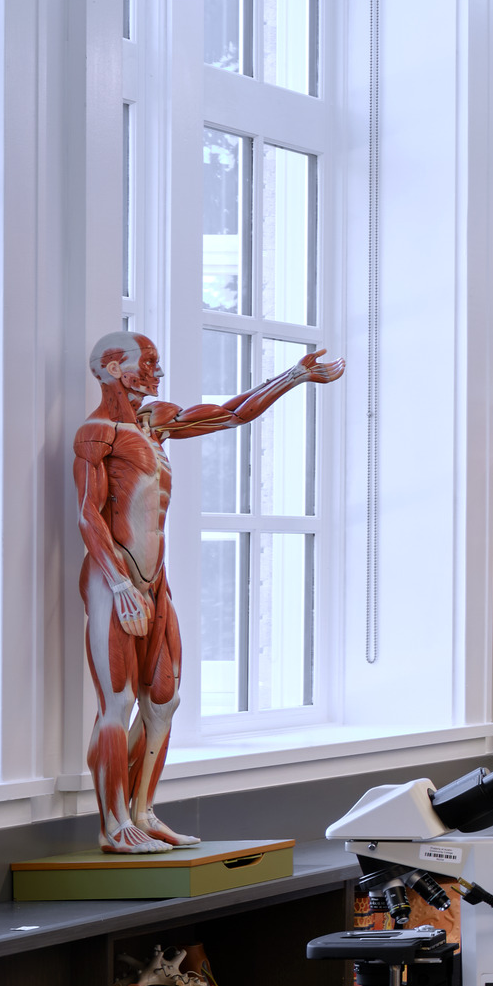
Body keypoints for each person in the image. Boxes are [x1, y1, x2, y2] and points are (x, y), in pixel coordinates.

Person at [73, 332, 343, 850]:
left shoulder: (157, 422)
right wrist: (118, 584)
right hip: (116, 579)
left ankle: (142, 810)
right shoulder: (97, 433)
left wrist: (294, 376)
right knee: (117, 702)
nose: (157, 373)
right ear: (111, 366)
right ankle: (113, 826)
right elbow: (88, 513)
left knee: (164, 700)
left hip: (156, 580)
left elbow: (231, 414)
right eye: (147, 364)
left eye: (157, 363)